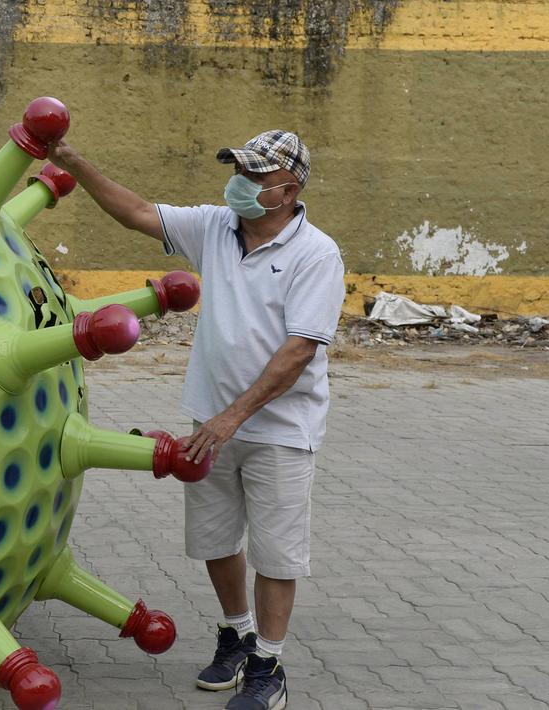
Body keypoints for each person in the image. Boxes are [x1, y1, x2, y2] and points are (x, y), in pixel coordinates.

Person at [48, 130, 345, 710]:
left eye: (256, 176)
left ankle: (269, 664)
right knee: (214, 538)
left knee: (276, 553)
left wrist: (231, 418)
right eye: (238, 169)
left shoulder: (316, 253)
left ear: (290, 188)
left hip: (280, 431)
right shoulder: (213, 227)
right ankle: (235, 633)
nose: (240, 182)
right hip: (210, 420)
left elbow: (299, 350)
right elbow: (135, 211)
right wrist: (72, 161)